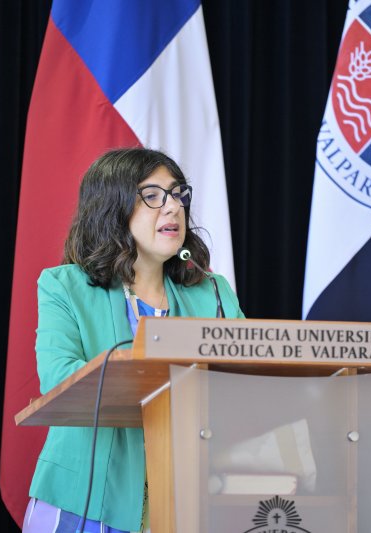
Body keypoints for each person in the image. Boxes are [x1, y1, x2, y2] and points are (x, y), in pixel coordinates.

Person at [22, 148, 244, 533]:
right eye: (153, 196)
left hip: (183, 501)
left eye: (178, 194)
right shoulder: (65, 286)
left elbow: (248, 377)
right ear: (113, 209)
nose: (173, 207)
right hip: (85, 501)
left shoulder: (212, 291)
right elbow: (58, 377)